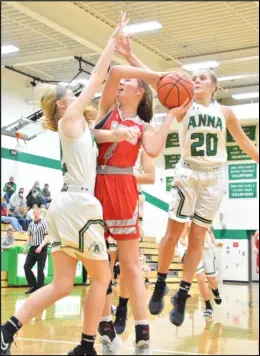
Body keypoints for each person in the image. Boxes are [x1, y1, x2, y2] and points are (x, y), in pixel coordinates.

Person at [0, 12, 139, 356]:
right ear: (63, 104)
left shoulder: (79, 129)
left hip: (64, 207)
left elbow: (102, 134)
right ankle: (87, 346)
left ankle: (6, 330)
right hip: (79, 205)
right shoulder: (71, 119)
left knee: (62, 284)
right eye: (71, 94)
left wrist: (121, 133)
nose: (78, 94)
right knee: (102, 278)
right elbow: (95, 76)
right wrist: (112, 40)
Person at [114, 35, 259, 327]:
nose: (196, 80)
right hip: (187, 172)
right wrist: (130, 56)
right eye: (193, 77)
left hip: (215, 177)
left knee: (196, 239)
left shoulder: (226, 112)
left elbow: (244, 143)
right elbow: (157, 79)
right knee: (171, 234)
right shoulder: (183, 101)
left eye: (202, 78)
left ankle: (182, 294)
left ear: (214, 85)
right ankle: (161, 283)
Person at [94, 34, 190, 354]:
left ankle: (142, 331)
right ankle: (106, 324)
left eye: (131, 82)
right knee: (99, 263)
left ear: (139, 92)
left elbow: (154, 147)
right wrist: (153, 73)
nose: (123, 84)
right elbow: (114, 73)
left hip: (124, 189)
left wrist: (170, 117)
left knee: (132, 266)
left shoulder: (144, 125)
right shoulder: (107, 107)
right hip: (97, 187)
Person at [113, 148, 155, 335]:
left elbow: (150, 177)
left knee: (127, 264)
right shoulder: (111, 135)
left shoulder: (142, 145)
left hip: (133, 200)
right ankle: (106, 317)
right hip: (110, 198)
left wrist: (124, 176)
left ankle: (122, 307)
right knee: (107, 262)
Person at [177, 223, 223, 319]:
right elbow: (181, 238)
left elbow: (211, 234)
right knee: (201, 278)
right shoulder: (188, 222)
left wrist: (215, 243)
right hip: (195, 252)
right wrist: (189, 245)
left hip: (207, 253)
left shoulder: (208, 221)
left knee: (212, 281)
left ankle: (216, 293)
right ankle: (208, 306)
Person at [23, 208, 49, 294]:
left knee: (40, 269)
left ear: (40, 214)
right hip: (33, 248)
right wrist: (26, 247)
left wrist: (41, 246)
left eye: (37, 213)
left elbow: (46, 237)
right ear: (33, 214)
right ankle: (32, 285)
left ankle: (40, 287)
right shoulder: (30, 224)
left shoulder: (44, 223)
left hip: (42, 248)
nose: (36, 214)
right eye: (34, 213)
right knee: (26, 266)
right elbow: (29, 238)